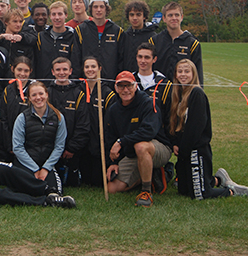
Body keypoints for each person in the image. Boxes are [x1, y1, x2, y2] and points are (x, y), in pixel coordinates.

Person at [168, 60, 248, 199]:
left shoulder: (197, 93)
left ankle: (232, 191)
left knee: (200, 194)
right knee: (183, 190)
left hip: (196, 150)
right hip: (184, 151)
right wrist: (175, 143)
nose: (183, 74)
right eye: (180, 71)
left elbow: (195, 128)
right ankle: (217, 180)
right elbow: (176, 125)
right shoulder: (178, 94)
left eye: (187, 71)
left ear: (193, 74)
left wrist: (184, 150)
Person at [105, 71, 173, 207]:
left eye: (129, 85)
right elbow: (110, 137)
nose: (125, 90)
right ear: (116, 88)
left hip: (157, 148)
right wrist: (113, 162)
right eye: (121, 86)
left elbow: (148, 132)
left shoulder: (147, 103)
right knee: (111, 189)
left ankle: (146, 192)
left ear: (136, 86)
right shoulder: (113, 110)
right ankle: (154, 175)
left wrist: (121, 142)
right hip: (132, 153)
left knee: (141, 146)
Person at [12, 81, 67, 196]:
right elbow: (17, 148)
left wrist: (46, 168)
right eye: (34, 95)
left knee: (55, 191)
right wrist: (35, 169)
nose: (38, 98)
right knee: (25, 190)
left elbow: (59, 146)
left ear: (47, 94)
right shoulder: (22, 118)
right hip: (26, 163)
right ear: (29, 98)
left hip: (47, 163)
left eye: (41, 94)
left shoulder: (58, 117)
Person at [47, 57, 90, 187]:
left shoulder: (79, 94)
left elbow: (83, 124)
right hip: (50, 148)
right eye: (58, 70)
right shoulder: (46, 93)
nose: (61, 73)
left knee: (71, 183)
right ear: (52, 72)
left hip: (71, 151)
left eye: (65, 69)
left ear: (70, 71)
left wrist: (71, 148)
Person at [78, 57, 117, 187]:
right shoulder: (78, 89)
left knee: (97, 181)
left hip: (99, 142)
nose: (90, 70)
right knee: (84, 180)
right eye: (87, 67)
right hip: (83, 142)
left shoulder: (107, 93)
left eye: (93, 67)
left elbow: (111, 121)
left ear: (99, 69)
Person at [71, 0, 124, 83]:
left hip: (110, 82)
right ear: (91, 9)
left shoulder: (117, 31)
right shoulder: (81, 30)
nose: (98, 10)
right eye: (95, 7)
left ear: (106, 9)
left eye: (101, 7)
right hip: (87, 83)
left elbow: (121, 60)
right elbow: (76, 59)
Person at [149, 2, 203, 85]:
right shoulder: (154, 41)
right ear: (164, 18)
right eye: (170, 15)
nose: (174, 18)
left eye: (177, 15)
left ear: (181, 17)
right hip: (160, 91)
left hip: (184, 92)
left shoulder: (192, 43)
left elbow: (198, 74)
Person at [0, 56, 33, 162]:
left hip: (29, 144)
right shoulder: (8, 90)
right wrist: (10, 144)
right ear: (13, 69)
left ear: (30, 71)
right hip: (11, 142)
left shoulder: (34, 89)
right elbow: (3, 119)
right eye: (19, 70)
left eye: (26, 71)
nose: (22, 73)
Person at [132, 43, 172, 130]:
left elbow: (168, 114)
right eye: (140, 57)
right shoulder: (129, 80)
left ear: (154, 59)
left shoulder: (164, 84)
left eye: (147, 57)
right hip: (132, 131)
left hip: (156, 134)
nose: (143, 61)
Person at [34, 1, 75, 81]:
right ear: (50, 16)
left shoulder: (72, 37)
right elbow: (37, 61)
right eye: (53, 14)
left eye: (60, 14)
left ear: (66, 15)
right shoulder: (41, 37)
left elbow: (75, 63)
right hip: (44, 83)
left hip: (64, 84)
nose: (57, 17)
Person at [122, 0, 157, 73]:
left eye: (138, 14)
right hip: (127, 79)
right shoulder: (124, 36)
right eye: (132, 15)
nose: (135, 18)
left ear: (144, 16)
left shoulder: (152, 37)